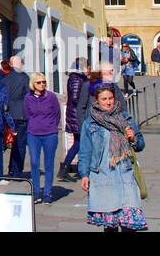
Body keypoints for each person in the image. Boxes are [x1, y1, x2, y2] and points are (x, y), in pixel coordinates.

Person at [78, 84, 146, 231]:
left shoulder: (125, 118)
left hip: (125, 175)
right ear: (96, 101)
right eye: (104, 99)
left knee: (130, 224)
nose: (108, 102)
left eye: (110, 98)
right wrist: (84, 175)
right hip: (103, 176)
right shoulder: (90, 123)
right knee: (110, 227)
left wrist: (133, 138)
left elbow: (140, 145)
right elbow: (85, 151)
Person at [24, 72, 61, 202]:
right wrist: (36, 124)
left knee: (49, 164)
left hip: (50, 133)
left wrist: (51, 126)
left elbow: (57, 114)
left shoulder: (51, 97)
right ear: (33, 84)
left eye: (44, 82)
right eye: (39, 82)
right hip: (33, 133)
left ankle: (47, 193)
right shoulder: (28, 98)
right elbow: (27, 114)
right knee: (34, 162)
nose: (42, 84)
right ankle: (36, 192)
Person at [59, 58, 90, 182]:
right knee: (79, 143)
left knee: (79, 143)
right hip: (77, 116)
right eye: (88, 66)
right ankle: (65, 169)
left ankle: (68, 169)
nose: (89, 69)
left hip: (75, 115)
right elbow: (76, 97)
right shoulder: (77, 79)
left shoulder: (77, 78)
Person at [0, 55, 30, 176]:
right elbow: (28, 95)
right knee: (20, 144)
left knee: (13, 143)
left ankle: (11, 168)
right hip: (21, 114)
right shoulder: (24, 78)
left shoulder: (5, 79)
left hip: (9, 114)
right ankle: (16, 170)